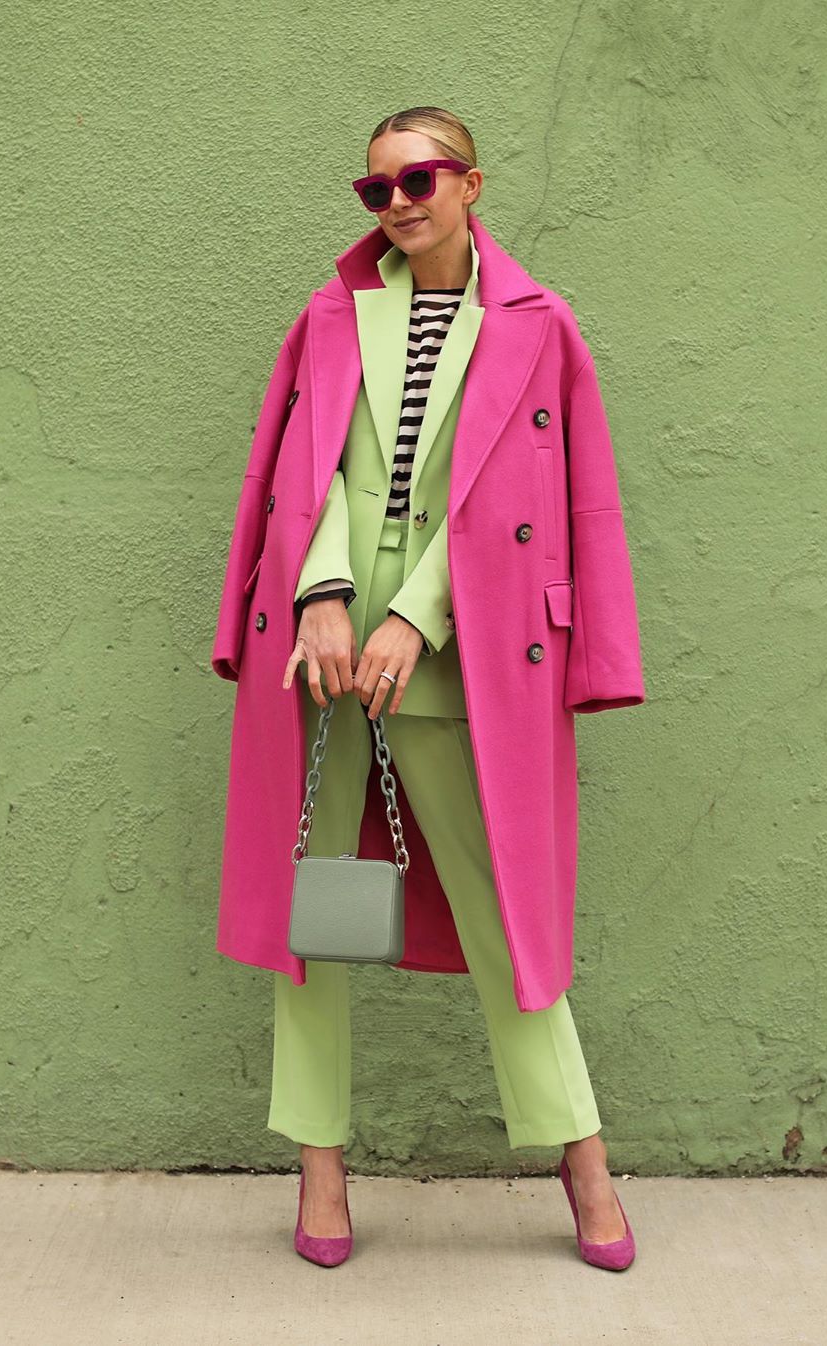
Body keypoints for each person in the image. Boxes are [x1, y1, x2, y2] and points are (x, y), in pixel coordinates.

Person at [211, 106, 645, 1271]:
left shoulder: (537, 325)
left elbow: (540, 500)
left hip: (467, 649)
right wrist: (324, 593)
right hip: (324, 645)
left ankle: (583, 1157)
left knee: (510, 915)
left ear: (471, 185)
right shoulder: (332, 315)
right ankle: (319, 1165)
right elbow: (305, 470)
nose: (399, 203)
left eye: (420, 179)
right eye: (378, 189)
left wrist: (418, 612)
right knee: (317, 918)